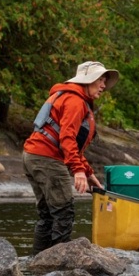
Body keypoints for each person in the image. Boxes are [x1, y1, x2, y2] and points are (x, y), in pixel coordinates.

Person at [22, 61, 119, 254]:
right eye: (100, 80)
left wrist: (89, 175)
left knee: (48, 215)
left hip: (32, 156)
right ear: (87, 80)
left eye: (105, 81)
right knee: (63, 213)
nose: (104, 86)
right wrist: (78, 171)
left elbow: (70, 144)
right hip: (47, 159)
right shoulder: (75, 101)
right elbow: (66, 138)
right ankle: (57, 264)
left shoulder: (69, 96)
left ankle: (38, 263)